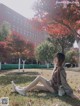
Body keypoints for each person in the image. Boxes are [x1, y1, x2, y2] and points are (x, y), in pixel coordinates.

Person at [11, 53, 79, 99]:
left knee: (39, 77)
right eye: (55, 57)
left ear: (60, 60)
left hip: (54, 89)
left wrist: (71, 93)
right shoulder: (56, 67)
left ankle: (23, 90)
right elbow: (53, 79)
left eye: (56, 58)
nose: (55, 59)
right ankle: (18, 89)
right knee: (36, 86)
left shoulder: (61, 70)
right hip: (51, 85)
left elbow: (64, 83)